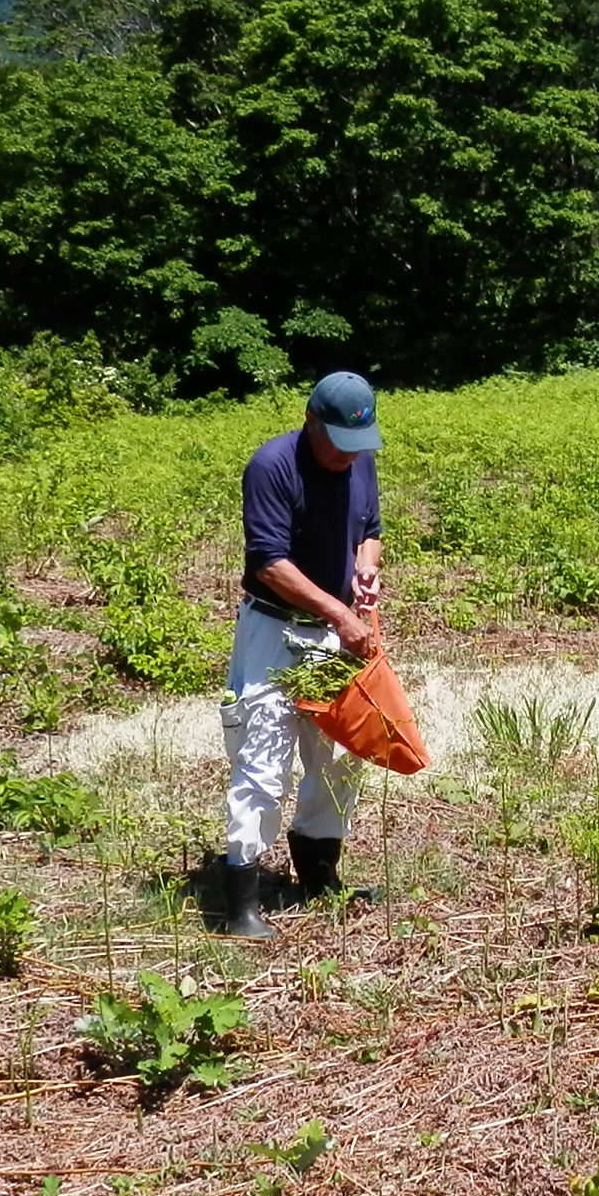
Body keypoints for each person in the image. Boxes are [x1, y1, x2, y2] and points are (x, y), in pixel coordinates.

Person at [217, 372, 385, 940]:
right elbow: (269, 562)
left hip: (332, 636)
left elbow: (371, 531)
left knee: (338, 754)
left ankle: (318, 876)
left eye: (357, 444)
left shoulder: (359, 459)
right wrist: (341, 614)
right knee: (262, 758)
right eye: (336, 439)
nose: (347, 455)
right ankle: (239, 896)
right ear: (310, 420)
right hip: (273, 632)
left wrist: (365, 566)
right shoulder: (272, 466)